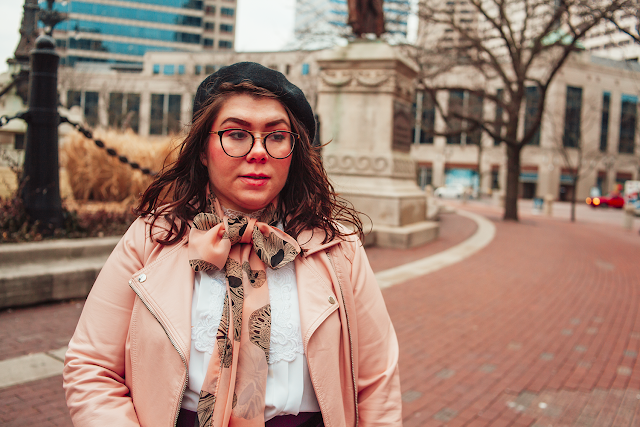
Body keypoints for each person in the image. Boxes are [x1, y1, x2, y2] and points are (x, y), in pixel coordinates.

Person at [63, 62, 402, 427]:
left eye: (276, 136)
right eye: (237, 134)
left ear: (294, 151)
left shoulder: (340, 248)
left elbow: (377, 384)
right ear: (203, 150)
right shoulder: (151, 238)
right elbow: (91, 367)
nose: (258, 152)